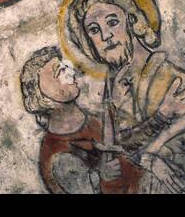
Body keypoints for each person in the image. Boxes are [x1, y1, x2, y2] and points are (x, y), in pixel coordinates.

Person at [64, 0, 185, 192]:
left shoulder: (169, 77)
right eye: (93, 30)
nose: (105, 36)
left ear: (132, 22)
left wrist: (152, 142)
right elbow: (120, 147)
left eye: (112, 22)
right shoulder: (114, 85)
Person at [19, 45, 143, 193]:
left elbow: (128, 145)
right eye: (60, 72)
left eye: (66, 67)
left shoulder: (92, 119)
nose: (71, 72)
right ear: (42, 97)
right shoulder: (57, 155)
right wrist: (101, 176)